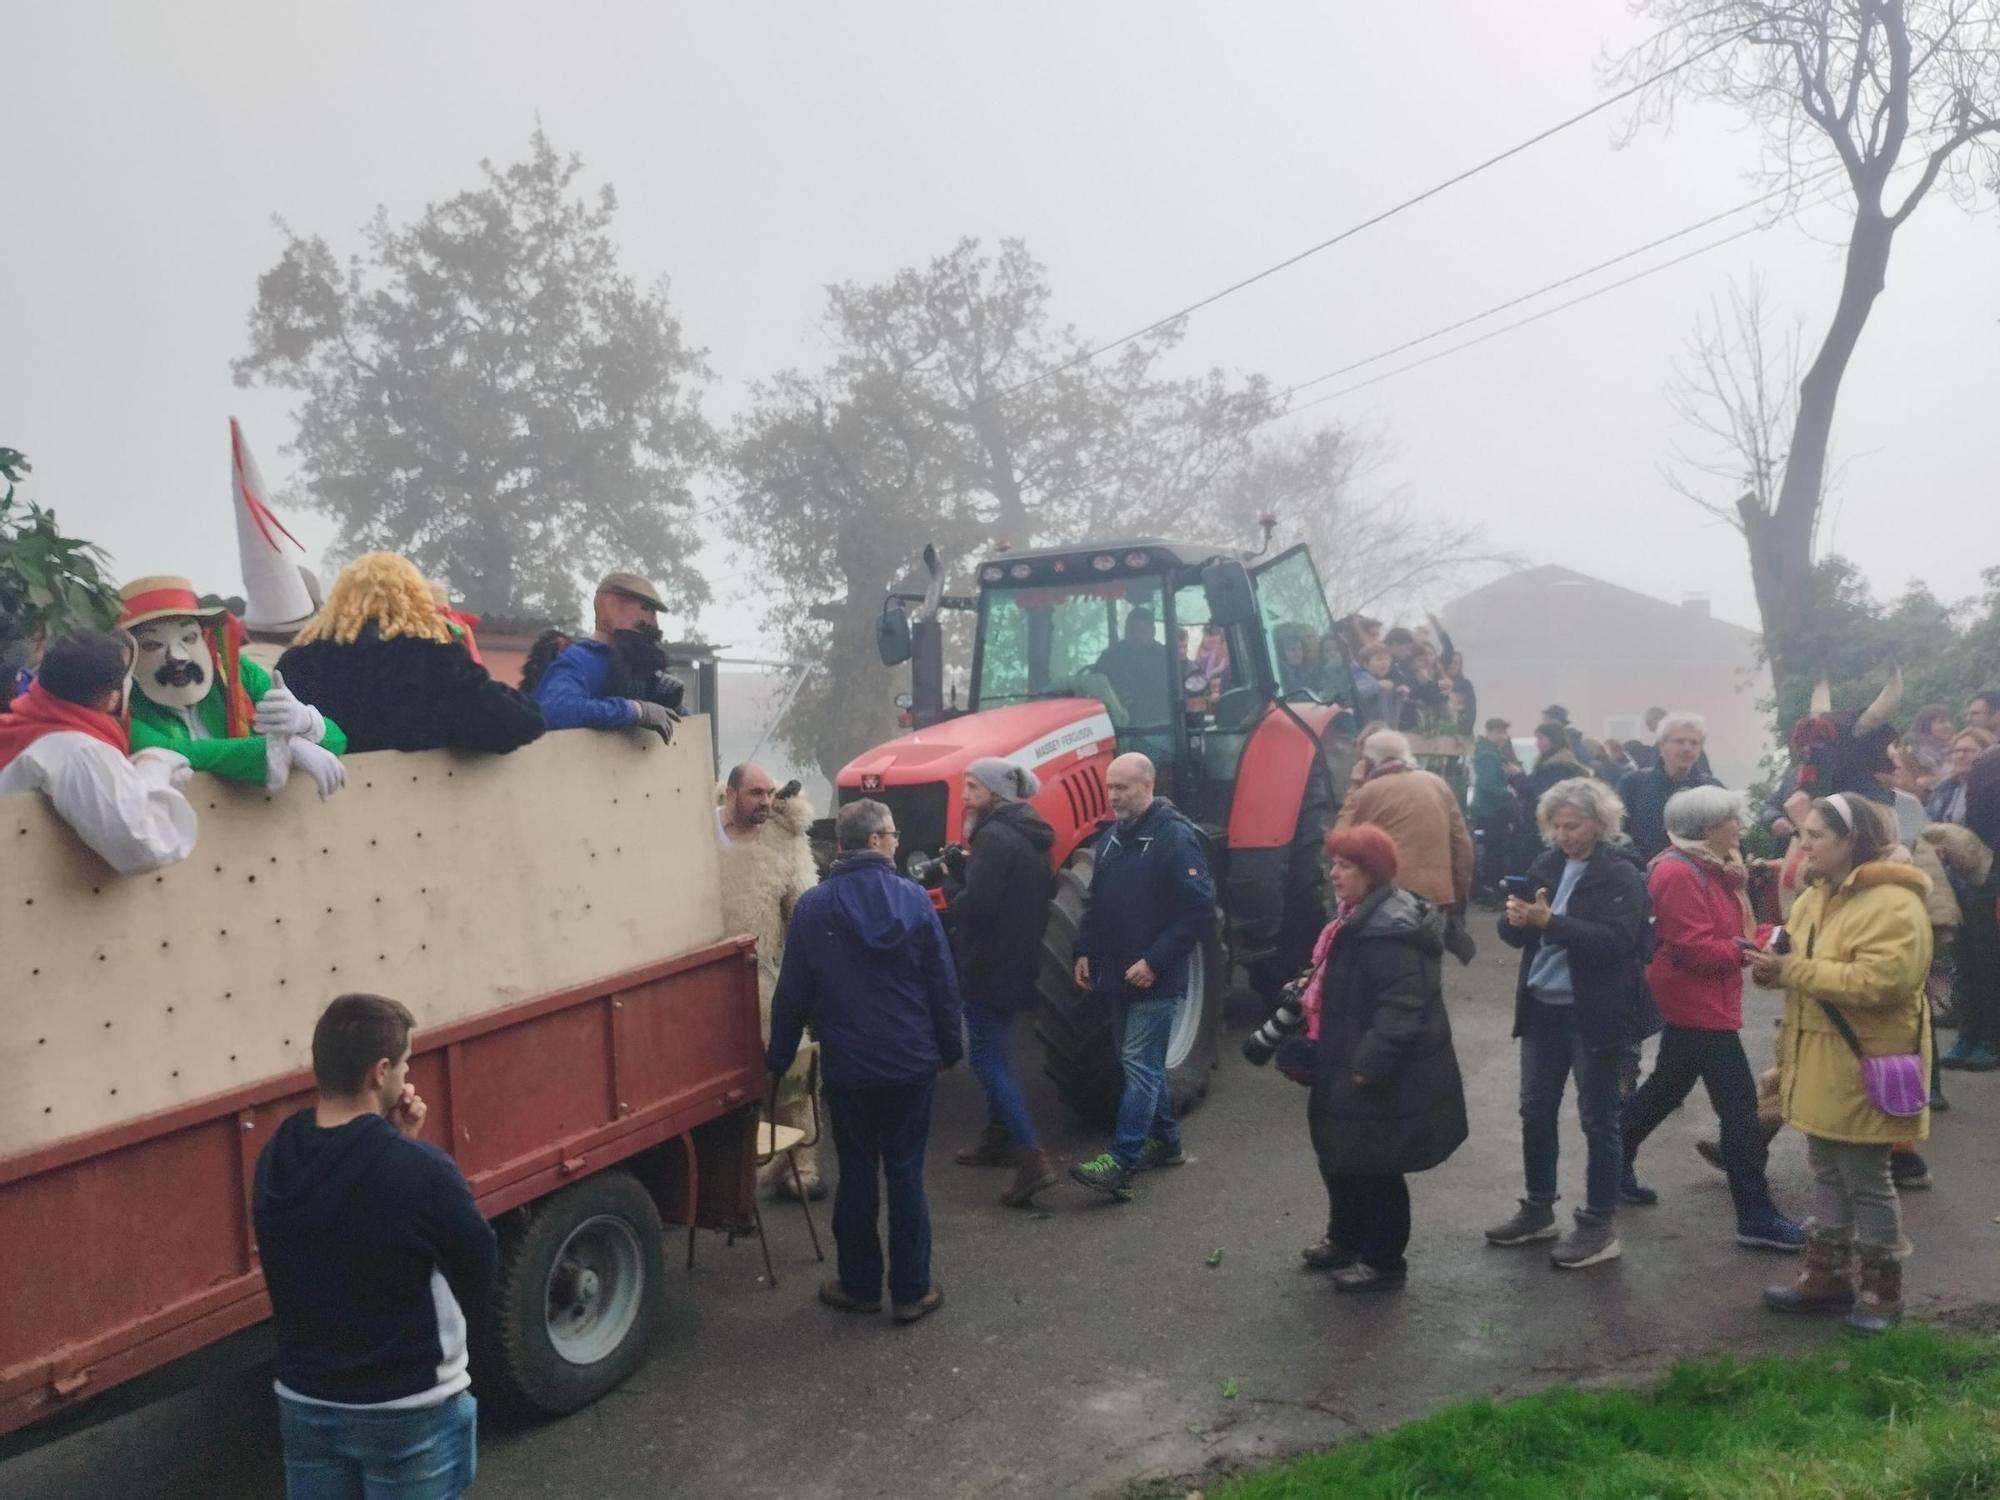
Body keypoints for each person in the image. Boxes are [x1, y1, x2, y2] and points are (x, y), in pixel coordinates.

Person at [254, 994, 497, 1499]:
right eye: (406, 1063)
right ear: (380, 1071)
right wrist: (406, 1147)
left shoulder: (277, 1154)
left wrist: (396, 1142)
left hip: (304, 1399)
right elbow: (479, 1268)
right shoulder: (421, 1172)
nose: (408, 1077)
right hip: (407, 1409)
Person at [767, 799, 961, 1324]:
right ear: (874, 841)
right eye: (893, 834)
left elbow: (792, 995)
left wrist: (778, 1057)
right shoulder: (915, 900)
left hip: (851, 1069)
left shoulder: (814, 907)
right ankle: (911, 1292)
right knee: (905, 1174)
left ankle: (858, 1286)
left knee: (856, 1175)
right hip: (910, 1063)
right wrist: (950, 1047)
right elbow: (941, 982)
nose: (898, 842)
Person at [1752, 796, 1932, 1334]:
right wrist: (1770, 968)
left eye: (1816, 836)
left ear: (1853, 841)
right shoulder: (1815, 895)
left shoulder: (1895, 903)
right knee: (1826, 1170)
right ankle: (1826, 1277)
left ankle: (1882, 1292)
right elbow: (1792, 953)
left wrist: (1794, 971)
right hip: (1817, 1057)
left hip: (1864, 1061)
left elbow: (1882, 983)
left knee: (1867, 1178)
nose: (1803, 844)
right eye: (1803, 834)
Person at [1619, 787, 1803, 1251]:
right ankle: (1755, 1216)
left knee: (1667, 1086)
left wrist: (1771, 935)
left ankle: (1609, 1166)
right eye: (1732, 821)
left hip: (1703, 997)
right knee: (1740, 1110)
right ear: (1707, 829)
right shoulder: (1679, 873)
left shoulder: (1710, 869)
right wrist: (1753, 949)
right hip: (1695, 999)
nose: (1740, 827)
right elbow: (1695, 950)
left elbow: (1727, 935)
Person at [1486, 777, 1658, 1269]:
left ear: (1600, 824)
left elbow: (1618, 944)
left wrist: (1549, 924)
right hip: (1542, 1007)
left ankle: (1599, 1224)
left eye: (1574, 825)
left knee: (1598, 1118)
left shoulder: (1620, 874)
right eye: (1556, 825)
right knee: (1535, 1111)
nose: (1564, 835)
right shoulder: (1547, 865)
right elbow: (1517, 933)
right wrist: (1515, 921)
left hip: (1595, 1015)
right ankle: (1538, 1208)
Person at [1296, 825, 1467, 1293]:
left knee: (1376, 1166)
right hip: (1341, 1055)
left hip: (1378, 1069)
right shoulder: (1352, 918)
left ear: (1371, 874)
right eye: (1333, 864)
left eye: (1345, 866)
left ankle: (1384, 1260)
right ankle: (1345, 1239)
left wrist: (1366, 1067)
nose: (1334, 874)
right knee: (1338, 1156)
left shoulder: (1387, 931)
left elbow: (1402, 1009)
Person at [1068, 753, 1215, 1201]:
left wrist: (1155, 961)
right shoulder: (1112, 840)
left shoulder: (1175, 838)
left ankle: (1122, 1159)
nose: (1113, 796)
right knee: (1141, 1065)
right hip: (1115, 974)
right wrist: (1084, 951)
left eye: (1123, 788)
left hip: (1155, 978)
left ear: (1148, 786)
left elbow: (1198, 909)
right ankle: (1167, 1144)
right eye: (1109, 788)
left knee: (1139, 1065)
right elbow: (1096, 904)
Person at [277, 553, 545, 755]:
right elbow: (521, 722)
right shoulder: (432, 662)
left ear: (337, 600)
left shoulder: (297, 665)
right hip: (422, 817)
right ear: (417, 599)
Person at [945, 758, 1059, 1206]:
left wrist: (948, 889)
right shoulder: (1031, 834)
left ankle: (1032, 1160)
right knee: (998, 1049)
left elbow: (980, 906)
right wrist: (964, 872)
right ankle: (997, 1139)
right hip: (1019, 958)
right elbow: (1007, 892)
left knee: (987, 1059)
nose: (966, 794)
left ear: (995, 792)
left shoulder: (991, 835)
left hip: (987, 963)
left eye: (973, 786)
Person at [119, 576, 347, 798]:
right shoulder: (122, 705)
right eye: (152, 645)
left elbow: (336, 741)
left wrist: (306, 722)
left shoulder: (238, 674)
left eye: (188, 638)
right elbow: (171, 751)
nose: (177, 657)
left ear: (204, 636)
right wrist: (284, 747)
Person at [0, 630, 199, 875]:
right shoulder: (80, 753)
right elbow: (144, 848)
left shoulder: (24, 725)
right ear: (111, 699)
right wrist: (153, 767)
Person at [716, 763, 824, 1198]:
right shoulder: (699, 831)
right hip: (705, 973)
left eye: (770, 793)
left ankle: (802, 1163)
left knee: (789, 1065)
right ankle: (732, 1165)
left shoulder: (784, 840)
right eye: (755, 793)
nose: (765, 801)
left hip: (765, 971)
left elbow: (801, 907)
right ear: (730, 793)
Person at [1334, 729, 1475, 926]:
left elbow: (1339, 841)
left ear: (1368, 761)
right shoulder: (1437, 784)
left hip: (1388, 901)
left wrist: (1355, 786)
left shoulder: (1366, 792)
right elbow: (1462, 847)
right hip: (1436, 898)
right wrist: (1459, 897)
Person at [533, 573, 682, 742]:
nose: (653, 621)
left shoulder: (639, 667)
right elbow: (555, 711)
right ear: (610, 605)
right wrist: (635, 711)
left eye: (654, 613)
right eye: (645, 609)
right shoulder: (579, 661)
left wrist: (673, 706)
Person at [1618, 712, 1719, 864]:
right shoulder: (1633, 784)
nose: (1687, 748)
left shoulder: (1712, 790)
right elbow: (1618, 834)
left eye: (1694, 743)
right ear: (1661, 744)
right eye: (1679, 741)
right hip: (1643, 877)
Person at [1090, 605, 1172, 728]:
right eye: (1132, 632)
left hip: (1162, 728)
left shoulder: (1166, 658)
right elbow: (1097, 687)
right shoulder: (1110, 657)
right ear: (1125, 631)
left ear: (1153, 632)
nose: (1136, 637)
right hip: (1119, 728)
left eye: (1142, 632)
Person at [1467, 718, 1520, 907]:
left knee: (1493, 851)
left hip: (1490, 810)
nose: (1502, 737)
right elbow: (1487, 785)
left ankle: (1491, 889)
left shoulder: (1489, 752)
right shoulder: (1488, 755)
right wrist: (1509, 793)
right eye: (1498, 732)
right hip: (1492, 811)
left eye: (1504, 733)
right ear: (1489, 732)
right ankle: (1492, 890)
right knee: (1494, 852)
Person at [1525, 720, 1587, 799]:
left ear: (1554, 740)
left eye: (1541, 738)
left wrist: (1517, 777)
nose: (1537, 743)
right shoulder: (1546, 762)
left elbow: (1538, 793)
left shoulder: (1559, 766)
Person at [1906, 704, 1956, 788]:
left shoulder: (1958, 749)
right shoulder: (1910, 752)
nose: (1948, 726)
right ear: (1926, 725)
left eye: (1949, 721)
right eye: (1941, 722)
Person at [517, 628, 571, 697]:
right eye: (554, 648)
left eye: (566, 647)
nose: (562, 654)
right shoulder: (534, 678)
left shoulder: (569, 680)